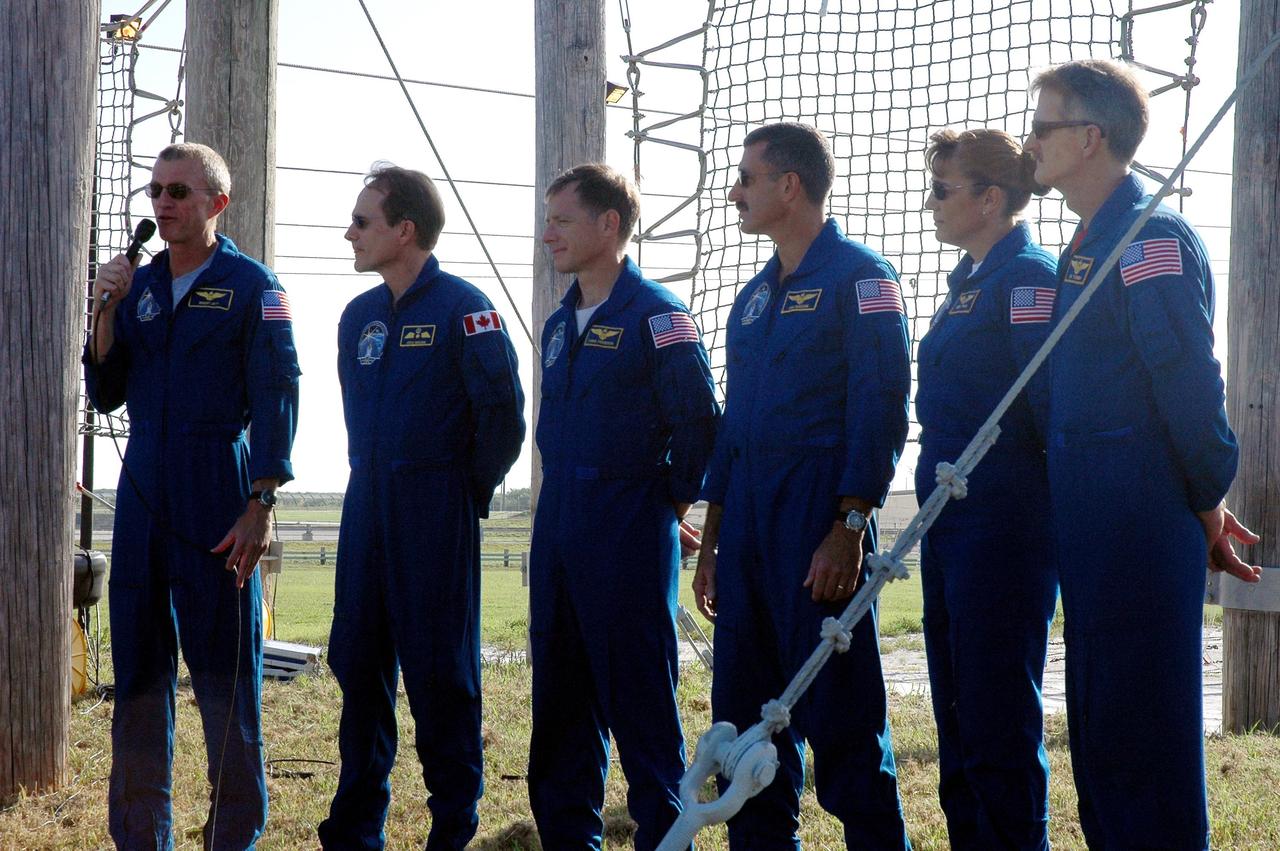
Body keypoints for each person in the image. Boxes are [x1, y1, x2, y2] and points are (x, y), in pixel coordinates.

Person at [1024, 59, 1261, 848]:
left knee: (1146, 742)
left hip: (1137, 524)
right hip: (1094, 527)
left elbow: (1189, 387)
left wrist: (1206, 500)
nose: (1030, 141)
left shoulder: (1151, 238)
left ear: (1091, 138)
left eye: (1043, 125)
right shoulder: (1088, 242)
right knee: (1105, 734)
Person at [692, 122, 913, 849]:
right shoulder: (752, 298)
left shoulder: (863, 278)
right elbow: (734, 430)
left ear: (791, 185)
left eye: (748, 178)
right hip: (749, 536)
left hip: (818, 528)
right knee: (747, 734)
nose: (736, 192)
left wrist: (849, 525)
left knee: (844, 730)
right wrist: (714, 540)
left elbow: (880, 409)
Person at [86, 142, 300, 849]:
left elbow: (277, 393)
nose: (164, 202)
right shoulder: (140, 287)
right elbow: (106, 391)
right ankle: (142, 835)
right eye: (156, 191)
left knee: (223, 681)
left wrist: (261, 500)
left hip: (218, 483)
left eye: (179, 190)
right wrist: (106, 313)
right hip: (145, 486)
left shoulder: (252, 285)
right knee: (139, 681)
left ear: (217, 202)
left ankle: (233, 834)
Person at [317, 164, 525, 849]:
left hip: (436, 511)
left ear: (404, 231)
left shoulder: (465, 309)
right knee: (358, 661)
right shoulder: (359, 317)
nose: (349, 232)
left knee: (441, 675)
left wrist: (461, 491)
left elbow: (502, 418)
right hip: (367, 507)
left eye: (362, 221)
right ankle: (355, 829)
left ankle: (452, 826)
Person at [528, 163, 720, 850]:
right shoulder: (558, 323)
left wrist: (661, 503)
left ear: (609, 225)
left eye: (562, 219)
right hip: (556, 527)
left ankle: (667, 839)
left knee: (639, 706)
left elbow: (700, 425)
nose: (547, 232)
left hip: (628, 527)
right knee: (558, 708)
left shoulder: (659, 317)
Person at [915, 128, 1059, 850]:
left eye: (943, 189)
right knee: (960, 716)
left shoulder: (1027, 278)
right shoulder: (968, 283)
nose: (930, 203)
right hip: (950, 528)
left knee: (998, 717)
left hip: (1003, 530)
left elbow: (1047, 409)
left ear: (991, 198)